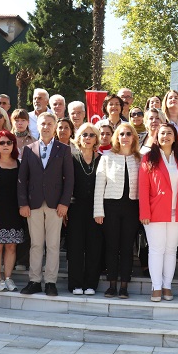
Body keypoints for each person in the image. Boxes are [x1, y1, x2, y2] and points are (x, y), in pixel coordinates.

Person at [18, 112, 74, 296]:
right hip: (33, 204)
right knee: (35, 244)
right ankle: (34, 280)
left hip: (55, 204)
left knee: (53, 244)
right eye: (43, 123)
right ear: (38, 126)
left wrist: (64, 202)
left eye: (50, 123)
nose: (46, 127)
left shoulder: (63, 149)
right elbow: (22, 179)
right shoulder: (29, 149)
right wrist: (23, 203)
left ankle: (50, 281)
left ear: (55, 126)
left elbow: (69, 180)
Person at [139, 123, 178, 302]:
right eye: (162, 133)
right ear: (156, 137)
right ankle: (156, 287)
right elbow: (143, 188)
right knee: (156, 249)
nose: (165, 136)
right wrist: (144, 212)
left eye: (169, 133)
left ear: (175, 137)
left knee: (171, 250)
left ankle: (167, 285)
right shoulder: (148, 158)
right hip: (155, 211)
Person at [94, 122, 141, 299]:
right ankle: (112, 284)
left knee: (128, 247)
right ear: (116, 137)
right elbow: (99, 185)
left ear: (134, 137)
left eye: (128, 134)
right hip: (110, 207)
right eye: (121, 134)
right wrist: (98, 211)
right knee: (112, 246)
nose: (125, 137)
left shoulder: (139, 158)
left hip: (132, 208)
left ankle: (124, 286)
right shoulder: (107, 157)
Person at [0, 130, 24, 293]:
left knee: (11, 247)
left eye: (9, 142)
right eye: (2, 142)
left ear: (14, 144)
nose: (6, 145)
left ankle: (8, 278)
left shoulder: (21, 164)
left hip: (15, 213)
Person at [67, 123, 103, 295]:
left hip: (96, 209)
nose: (88, 138)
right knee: (75, 247)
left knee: (94, 247)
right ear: (79, 138)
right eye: (84, 135)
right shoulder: (71, 158)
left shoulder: (102, 159)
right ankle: (75, 284)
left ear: (96, 139)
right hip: (75, 208)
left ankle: (91, 284)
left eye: (91, 135)